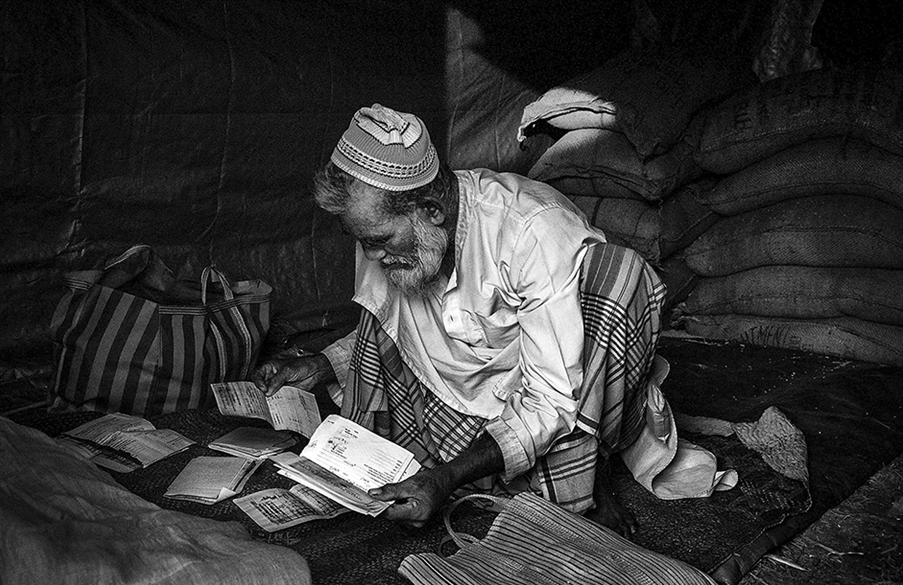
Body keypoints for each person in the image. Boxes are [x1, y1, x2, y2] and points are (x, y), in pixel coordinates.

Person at [252, 104, 667, 537]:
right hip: (453, 394)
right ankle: (440, 469)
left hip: (548, 387)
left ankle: (585, 473)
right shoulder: (398, 238)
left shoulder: (533, 229)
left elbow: (552, 397)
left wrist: (446, 477)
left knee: (620, 278)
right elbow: (396, 322)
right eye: (358, 240)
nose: (369, 254)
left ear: (432, 210)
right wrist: (323, 363)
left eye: (377, 240)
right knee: (390, 290)